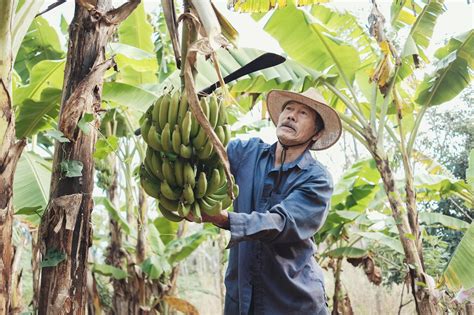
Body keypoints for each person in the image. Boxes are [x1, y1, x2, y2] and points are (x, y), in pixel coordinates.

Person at [200, 88, 342, 315]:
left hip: (292, 302)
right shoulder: (246, 154)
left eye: (303, 113)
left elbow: (281, 222)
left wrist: (225, 219)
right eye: (288, 108)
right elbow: (208, 146)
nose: (291, 115)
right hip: (241, 300)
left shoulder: (317, 179)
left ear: (316, 133)